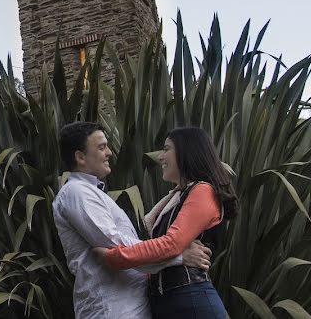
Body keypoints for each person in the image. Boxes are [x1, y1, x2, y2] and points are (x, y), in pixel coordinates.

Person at [52, 122, 212, 319]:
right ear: (80, 157)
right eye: (101, 147)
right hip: (112, 309)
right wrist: (179, 258)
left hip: (125, 306)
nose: (109, 152)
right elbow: (118, 246)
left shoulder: (89, 192)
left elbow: (126, 251)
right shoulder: (76, 193)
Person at [93, 126, 238, 319]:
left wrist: (114, 258)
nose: (160, 157)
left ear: (187, 151)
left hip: (192, 301)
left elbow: (171, 244)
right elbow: (165, 250)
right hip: (170, 303)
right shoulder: (176, 198)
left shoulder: (203, 191)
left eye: (167, 149)